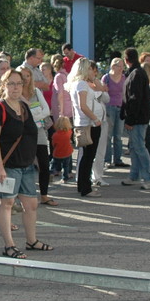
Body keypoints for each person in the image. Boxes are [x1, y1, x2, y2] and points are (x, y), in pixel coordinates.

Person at [0, 68, 50, 258]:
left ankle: (32, 241)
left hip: (26, 166)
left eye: (19, 83)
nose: (15, 87)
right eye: (11, 83)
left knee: (31, 205)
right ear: (3, 86)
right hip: (8, 167)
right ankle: (9, 246)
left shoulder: (24, 107)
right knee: (6, 204)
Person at [18, 64, 56, 205]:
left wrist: (33, 114)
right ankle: (21, 196)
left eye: (28, 76)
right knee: (23, 166)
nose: (25, 79)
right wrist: (36, 113)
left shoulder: (36, 91)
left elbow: (46, 110)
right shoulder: (16, 94)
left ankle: (44, 195)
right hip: (22, 134)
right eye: (22, 76)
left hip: (39, 132)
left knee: (44, 165)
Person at [67, 58, 104, 198]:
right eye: (90, 68)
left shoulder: (78, 83)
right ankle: (86, 188)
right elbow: (83, 105)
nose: (93, 71)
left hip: (84, 123)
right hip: (89, 123)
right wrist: (95, 118)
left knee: (85, 156)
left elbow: (100, 89)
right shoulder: (82, 84)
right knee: (88, 156)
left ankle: (82, 185)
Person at [121, 47, 150, 189]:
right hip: (140, 117)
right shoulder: (137, 73)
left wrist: (130, 119)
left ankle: (149, 178)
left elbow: (135, 99)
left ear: (126, 59)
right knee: (135, 147)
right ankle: (134, 175)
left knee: (139, 147)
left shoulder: (135, 74)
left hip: (138, 118)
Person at [101, 57, 127, 168]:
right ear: (113, 66)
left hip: (120, 107)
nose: (121, 68)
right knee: (108, 134)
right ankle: (107, 159)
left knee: (118, 135)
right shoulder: (106, 78)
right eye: (119, 66)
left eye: (122, 66)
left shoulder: (123, 78)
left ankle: (118, 159)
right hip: (109, 107)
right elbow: (101, 92)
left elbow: (125, 93)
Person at [50, 116, 74, 183]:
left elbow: (53, 144)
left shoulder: (55, 135)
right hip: (67, 152)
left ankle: (51, 173)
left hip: (57, 153)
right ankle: (64, 178)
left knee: (53, 164)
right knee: (66, 166)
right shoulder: (69, 132)